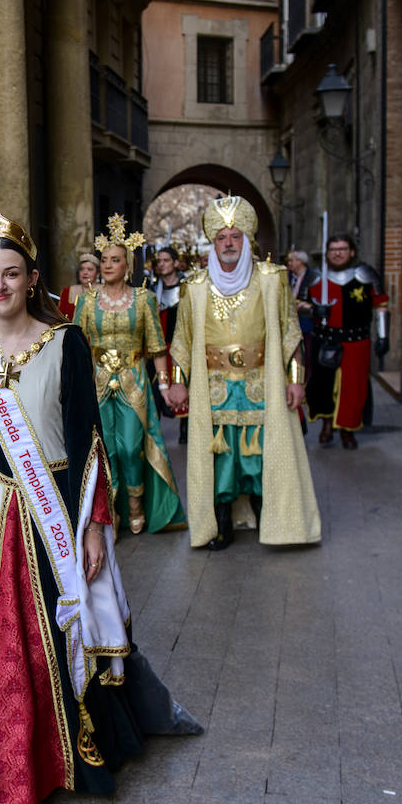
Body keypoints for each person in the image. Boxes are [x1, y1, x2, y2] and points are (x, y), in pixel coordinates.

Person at [0, 213, 202, 804]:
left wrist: (98, 524)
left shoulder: (66, 343)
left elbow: (89, 441)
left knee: (60, 636)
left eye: (12, 275)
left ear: (31, 280)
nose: (0, 286)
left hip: (53, 515)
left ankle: (68, 760)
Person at [164, 197, 321, 550]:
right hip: (214, 386)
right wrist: (177, 382)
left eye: (235, 236)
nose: (229, 243)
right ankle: (221, 523)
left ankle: (272, 518)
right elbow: (182, 340)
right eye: (222, 237)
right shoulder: (196, 285)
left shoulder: (272, 279)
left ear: (246, 240)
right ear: (213, 244)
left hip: (262, 381)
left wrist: (295, 379)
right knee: (220, 454)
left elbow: (290, 332)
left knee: (262, 451)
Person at [74, 216, 185, 535]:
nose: (107, 265)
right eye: (104, 260)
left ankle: (137, 504)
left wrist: (164, 385)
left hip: (134, 382)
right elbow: (77, 347)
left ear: (128, 265)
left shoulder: (143, 299)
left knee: (130, 447)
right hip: (96, 384)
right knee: (104, 447)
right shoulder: (86, 300)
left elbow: (156, 347)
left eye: (115, 260)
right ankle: (112, 509)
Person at [305, 233, 389, 450]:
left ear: (351, 251)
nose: (338, 253)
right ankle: (326, 425)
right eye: (333, 250)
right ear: (327, 253)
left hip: (356, 341)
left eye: (342, 249)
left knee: (353, 388)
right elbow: (296, 304)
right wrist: (313, 309)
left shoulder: (366, 274)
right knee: (322, 386)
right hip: (325, 339)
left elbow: (381, 305)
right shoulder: (315, 277)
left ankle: (347, 430)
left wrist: (383, 335)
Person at [150, 245, 188, 444]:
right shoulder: (152, 289)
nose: (162, 265)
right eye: (159, 261)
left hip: (179, 346)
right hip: (158, 349)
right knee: (156, 389)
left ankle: (186, 434)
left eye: (166, 260)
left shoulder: (186, 287)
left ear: (175, 262)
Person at [57, 252, 100, 320]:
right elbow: (60, 317)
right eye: (82, 269)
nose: (85, 272)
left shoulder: (105, 290)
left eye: (90, 269)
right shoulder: (67, 291)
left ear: (97, 274)